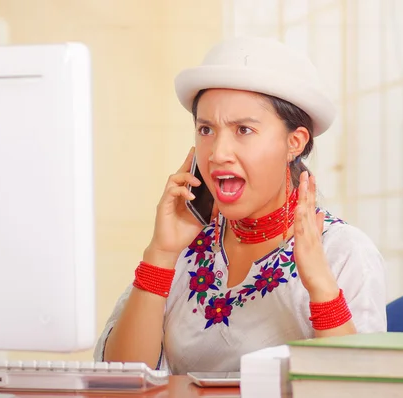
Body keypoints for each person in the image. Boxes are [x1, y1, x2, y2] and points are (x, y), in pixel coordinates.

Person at [94, 36, 387, 375]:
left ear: (294, 142)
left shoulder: (344, 252)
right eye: (206, 129)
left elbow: (361, 388)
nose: (217, 153)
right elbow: (120, 382)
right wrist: (160, 254)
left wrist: (320, 287)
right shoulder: (185, 247)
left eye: (243, 130)